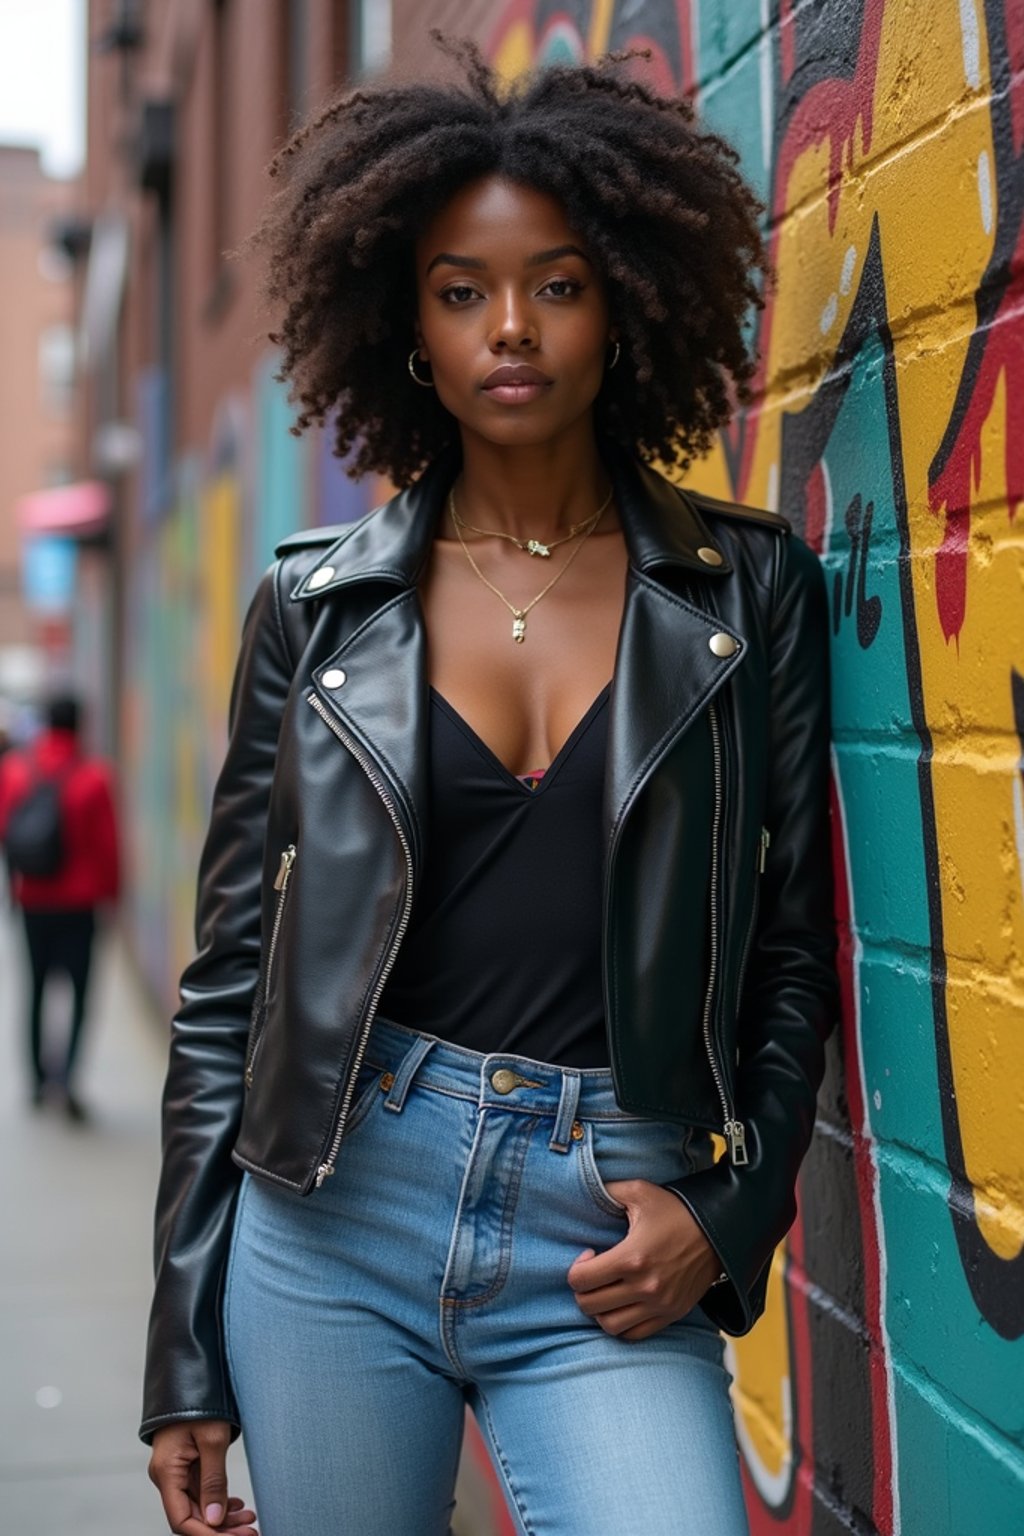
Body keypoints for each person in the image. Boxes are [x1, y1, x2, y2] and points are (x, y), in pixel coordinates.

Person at [143, 38, 837, 1536]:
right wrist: (180, 1350)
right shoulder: (313, 611)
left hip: (604, 1218)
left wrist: (725, 1222)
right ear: (408, 324)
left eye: (559, 285)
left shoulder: (746, 592)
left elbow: (791, 959)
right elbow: (229, 991)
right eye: (463, 291)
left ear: (626, 308)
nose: (510, 329)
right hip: (334, 1213)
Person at [0, 692, 120, 1118]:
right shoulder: (94, 777)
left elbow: (5, 832)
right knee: (79, 995)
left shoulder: (15, 771)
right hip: (79, 906)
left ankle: (35, 1082)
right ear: (79, 726)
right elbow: (107, 849)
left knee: (33, 991)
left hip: (32, 901)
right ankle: (67, 1080)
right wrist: (112, 897)